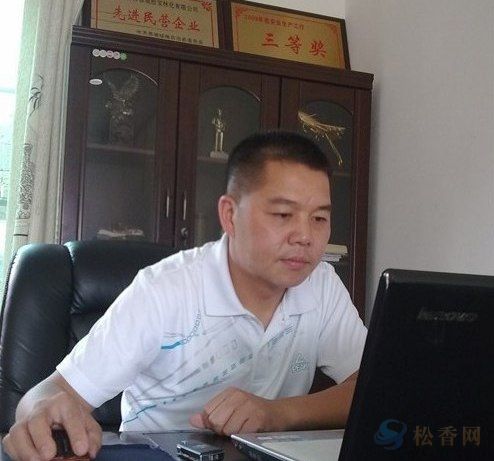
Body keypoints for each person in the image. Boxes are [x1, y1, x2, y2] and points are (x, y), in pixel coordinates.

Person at [3, 131, 367, 461]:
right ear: (230, 215)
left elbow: (370, 388)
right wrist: (40, 412)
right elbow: (51, 391)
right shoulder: (165, 290)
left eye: (319, 219)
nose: (305, 236)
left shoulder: (320, 284)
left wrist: (278, 413)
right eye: (284, 214)